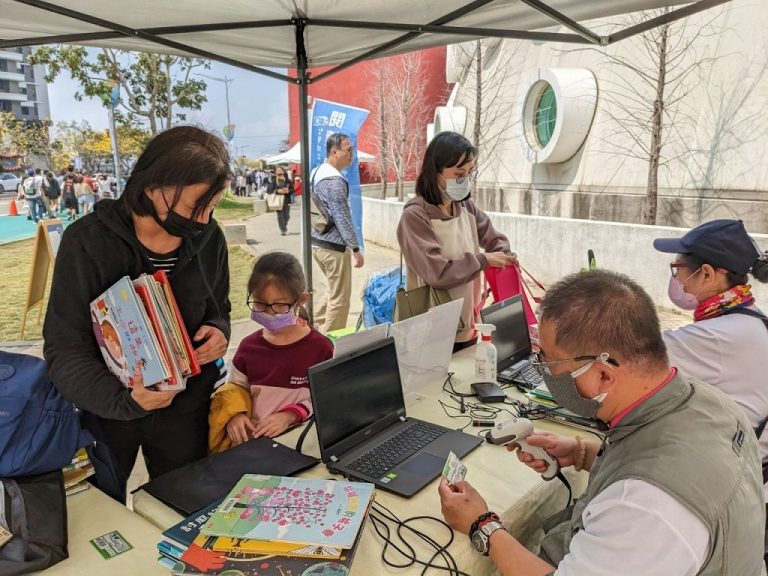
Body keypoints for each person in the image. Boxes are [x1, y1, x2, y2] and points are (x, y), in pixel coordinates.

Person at [438, 269, 764, 575]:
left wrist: (482, 525)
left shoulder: (644, 508)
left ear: (604, 374)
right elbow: (660, 460)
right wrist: (583, 453)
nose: (545, 373)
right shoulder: (711, 402)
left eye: (549, 363)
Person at [43, 126, 232, 501]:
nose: (204, 220)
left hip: (186, 409)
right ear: (153, 187)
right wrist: (124, 402)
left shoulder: (209, 239)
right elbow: (65, 348)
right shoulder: (88, 242)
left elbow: (218, 307)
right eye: (195, 207)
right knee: (101, 516)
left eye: (213, 207)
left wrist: (218, 330)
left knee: (181, 508)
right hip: (108, 413)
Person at [397, 131, 516, 351]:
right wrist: (484, 260)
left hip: (466, 325)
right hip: (430, 331)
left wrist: (504, 254)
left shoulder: (465, 207)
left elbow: (493, 237)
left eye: (469, 172)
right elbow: (438, 273)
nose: (465, 180)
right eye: (459, 173)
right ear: (436, 171)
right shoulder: (415, 217)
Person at [208, 252, 333, 452]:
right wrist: (235, 415)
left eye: (279, 305)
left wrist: (290, 415)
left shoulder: (321, 348)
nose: (269, 312)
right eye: (259, 303)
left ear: (302, 299)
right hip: (255, 447)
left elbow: (327, 399)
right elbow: (233, 391)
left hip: (302, 446)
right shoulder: (248, 348)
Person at [310, 132, 364, 333]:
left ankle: (312, 327)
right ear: (334, 151)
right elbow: (342, 217)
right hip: (333, 247)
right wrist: (356, 249)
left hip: (318, 242)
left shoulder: (317, 173)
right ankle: (329, 344)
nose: (352, 154)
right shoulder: (333, 180)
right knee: (340, 299)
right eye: (349, 150)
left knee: (332, 291)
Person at [267, 166, 294, 236]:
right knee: (280, 216)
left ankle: (283, 226)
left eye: (280, 170)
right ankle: (283, 230)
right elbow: (269, 190)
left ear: (283, 171)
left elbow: (292, 189)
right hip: (278, 200)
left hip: (287, 200)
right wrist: (277, 191)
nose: (279, 171)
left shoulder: (288, 180)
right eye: (277, 170)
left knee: (287, 216)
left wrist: (288, 191)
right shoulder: (273, 180)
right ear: (276, 172)